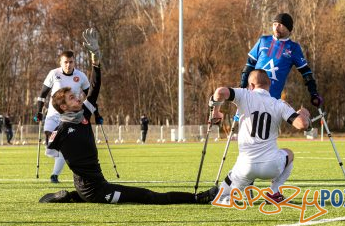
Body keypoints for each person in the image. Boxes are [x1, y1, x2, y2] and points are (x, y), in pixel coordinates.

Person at [39, 28, 218, 204]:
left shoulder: (83, 113)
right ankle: (199, 198)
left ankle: (72, 196)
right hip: (96, 191)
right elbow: (50, 143)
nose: (78, 97)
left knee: (139, 195)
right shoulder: (61, 129)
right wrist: (49, 133)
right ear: (63, 107)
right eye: (72, 98)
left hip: (94, 186)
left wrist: (96, 60)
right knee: (149, 196)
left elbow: (94, 89)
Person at [211, 69, 310, 204]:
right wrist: (304, 116)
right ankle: (274, 192)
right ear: (269, 84)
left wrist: (216, 111)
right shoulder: (279, 104)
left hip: (245, 167)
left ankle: (229, 197)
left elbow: (220, 92)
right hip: (271, 167)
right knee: (289, 154)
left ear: (251, 85)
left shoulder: (244, 94)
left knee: (221, 198)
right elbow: (302, 124)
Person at [240, 13, 323, 106]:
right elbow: (249, 65)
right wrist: (242, 87)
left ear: (288, 29)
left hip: (272, 100)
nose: (276, 27)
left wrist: (313, 92)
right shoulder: (263, 40)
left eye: (280, 25)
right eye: (275, 24)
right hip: (251, 95)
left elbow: (306, 72)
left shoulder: (293, 48)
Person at [35, 50, 90, 183]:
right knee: (51, 143)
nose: (68, 65)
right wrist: (39, 111)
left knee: (62, 148)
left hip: (70, 118)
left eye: (71, 62)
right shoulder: (54, 74)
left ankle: (54, 175)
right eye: (65, 62)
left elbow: (91, 97)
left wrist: (95, 114)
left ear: (74, 62)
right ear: (61, 62)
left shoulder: (81, 76)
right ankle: (54, 149)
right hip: (53, 116)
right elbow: (42, 95)